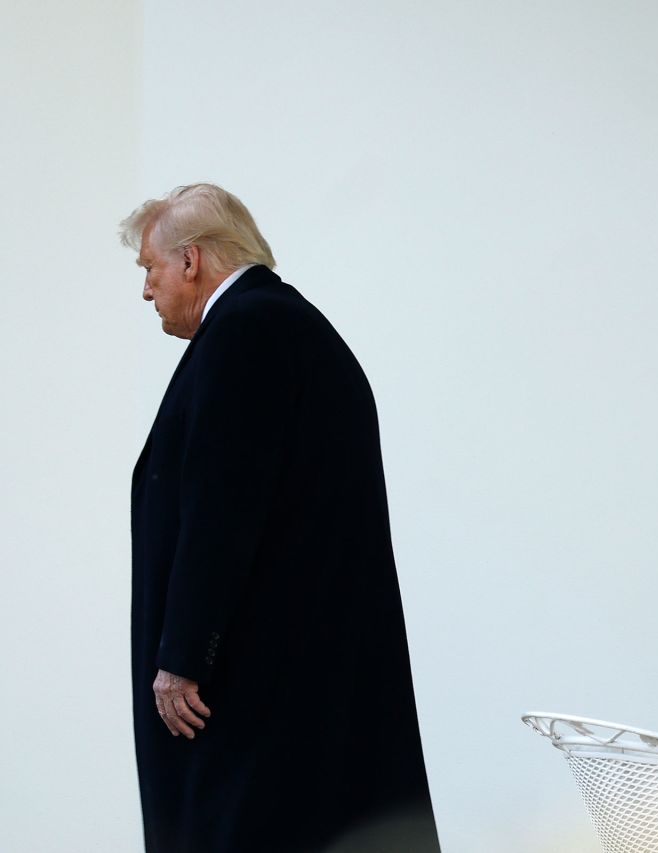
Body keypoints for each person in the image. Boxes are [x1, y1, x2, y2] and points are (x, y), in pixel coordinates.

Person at [121, 184, 440, 852]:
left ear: (192, 260)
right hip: (291, 686)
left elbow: (223, 500)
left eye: (149, 269)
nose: (146, 291)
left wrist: (182, 654)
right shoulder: (277, 324)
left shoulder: (248, 331)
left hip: (256, 696)